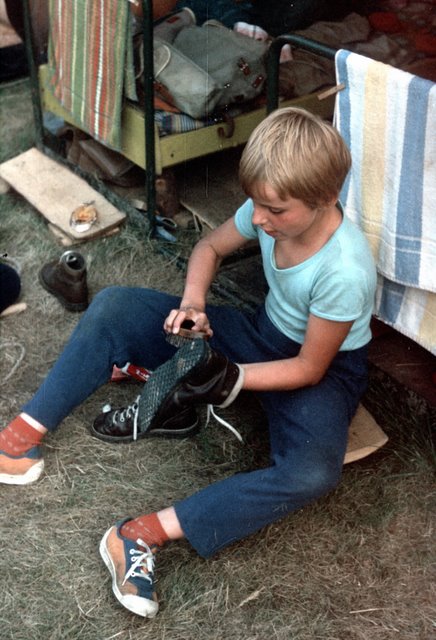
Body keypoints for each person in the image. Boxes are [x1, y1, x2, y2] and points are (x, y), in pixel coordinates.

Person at [0, 107, 376, 619]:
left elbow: (309, 367)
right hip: (261, 334)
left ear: (326, 198)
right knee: (114, 305)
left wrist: (233, 378)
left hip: (322, 371)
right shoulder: (272, 206)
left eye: (273, 210)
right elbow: (209, 247)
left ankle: (140, 534)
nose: (259, 219)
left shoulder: (346, 269)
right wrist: (194, 305)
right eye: (256, 204)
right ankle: (20, 439)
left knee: (312, 472)